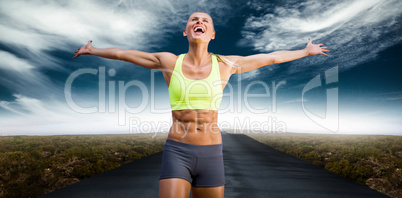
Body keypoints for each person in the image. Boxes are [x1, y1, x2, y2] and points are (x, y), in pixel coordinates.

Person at [73, 11, 329, 198]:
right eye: (194, 19)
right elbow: (124, 54)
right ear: (186, 31)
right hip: (177, 152)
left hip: (211, 154)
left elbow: (271, 58)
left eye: (205, 20)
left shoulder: (225, 64)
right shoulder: (169, 62)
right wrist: (93, 50)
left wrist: (304, 52)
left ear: (212, 33)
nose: (199, 22)